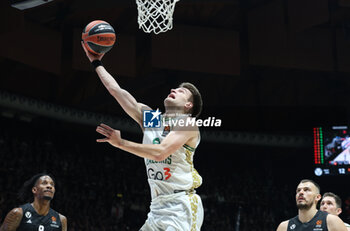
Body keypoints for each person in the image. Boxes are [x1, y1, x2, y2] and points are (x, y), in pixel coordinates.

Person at [82, 42, 204, 230]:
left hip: (182, 205)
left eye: (181, 92)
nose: (174, 90)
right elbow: (117, 91)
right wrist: (96, 63)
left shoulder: (186, 123)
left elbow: (160, 153)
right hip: (157, 207)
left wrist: (121, 143)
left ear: (188, 106)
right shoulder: (153, 120)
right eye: (175, 88)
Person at [0, 173, 67, 231]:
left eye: (52, 185)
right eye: (44, 183)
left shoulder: (61, 220)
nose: (49, 186)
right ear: (34, 190)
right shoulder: (17, 213)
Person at [276, 179, 347, 231]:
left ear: (317, 197)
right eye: (298, 190)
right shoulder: (284, 227)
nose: (301, 192)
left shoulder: (332, 221)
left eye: (306, 190)